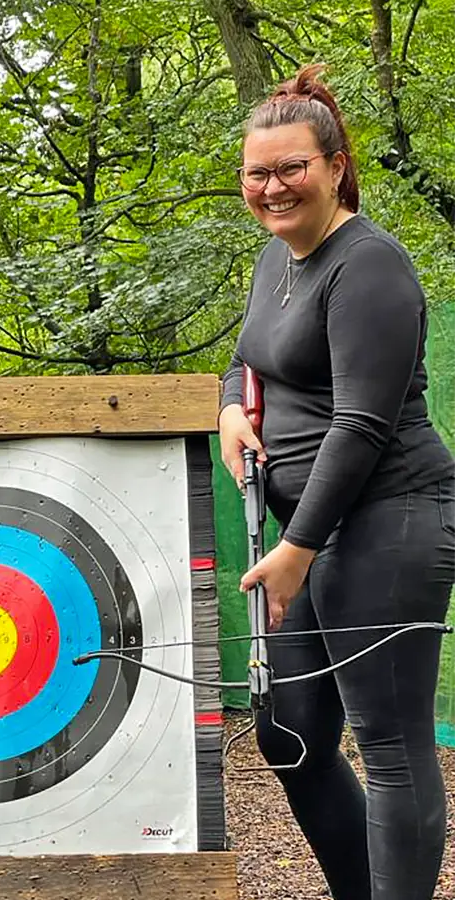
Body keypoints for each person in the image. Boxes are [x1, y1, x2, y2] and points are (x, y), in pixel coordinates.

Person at [218, 64, 455, 900]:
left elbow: (361, 423)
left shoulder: (370, 267)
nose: (272, 187)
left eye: (292, 168)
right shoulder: (274, 261)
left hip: (389, 519)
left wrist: (296, 548)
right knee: (290, 736)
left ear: (335, 166)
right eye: (257, 171)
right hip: (307, 534)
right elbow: (248, 358)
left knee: (389, 745)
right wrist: (229, 413)